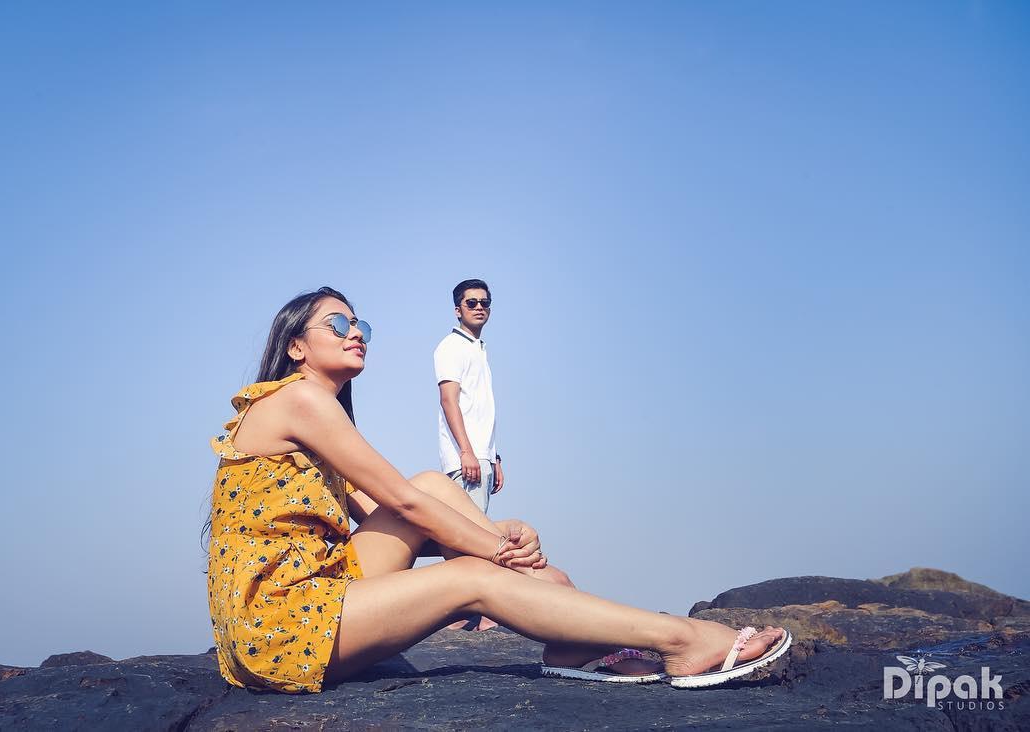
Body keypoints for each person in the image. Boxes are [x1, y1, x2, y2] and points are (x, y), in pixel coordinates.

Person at [206, 287, 791, 694]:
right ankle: (681, 640)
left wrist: (496, 531)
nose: (356, 331)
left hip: (314, 591)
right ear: (296, 346)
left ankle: (564, 629)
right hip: (279, 626)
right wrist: (494, 554)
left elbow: (401, 513)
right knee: (473, 578)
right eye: (339, 323)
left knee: (435, 484)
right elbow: (405, 508)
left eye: (361, 324)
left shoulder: (318, 414)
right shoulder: (298, 400)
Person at [434, 278, 501, 514]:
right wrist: (467, 452)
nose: (479, 307)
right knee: (469, 537)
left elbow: (479, 409)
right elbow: (448, 400)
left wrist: (494, 457)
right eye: (471, 303)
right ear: (458, 310)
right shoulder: (452, 346)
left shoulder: (477, 347)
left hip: (481, 457)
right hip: (466, 459)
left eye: (485, 302)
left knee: (474, 532)